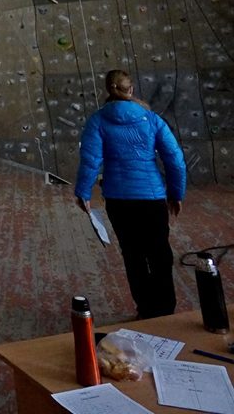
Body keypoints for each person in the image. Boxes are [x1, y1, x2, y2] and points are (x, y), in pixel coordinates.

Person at [74, 69, 187, 319]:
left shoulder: (97, 121)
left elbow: (90, 159)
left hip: (118, 199)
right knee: (159, 252)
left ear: (108, 90)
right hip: (152, 197)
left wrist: (83, 192)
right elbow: (175, 159)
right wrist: (176, 193)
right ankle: (166, 309)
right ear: (131, 90)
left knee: (133, 254)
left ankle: (145, 309)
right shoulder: (152, 119)